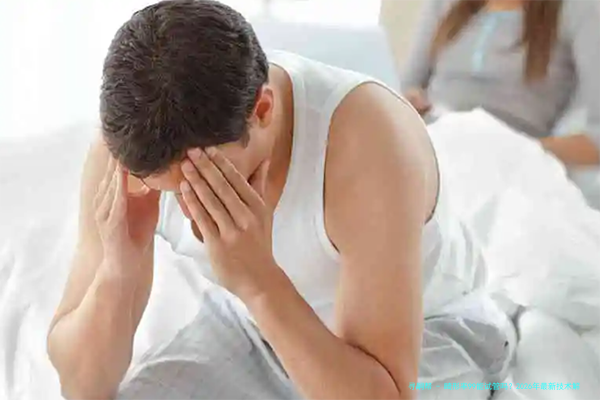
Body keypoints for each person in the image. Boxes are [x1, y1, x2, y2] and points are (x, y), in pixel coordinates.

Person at [46, 1, 517, 400]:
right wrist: (119, 272)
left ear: (263, 109)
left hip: (432, 335)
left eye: (209, 183)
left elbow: (387, 391)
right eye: (172, 191)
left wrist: (258, 282)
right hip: (252, 328)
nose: (191, 215)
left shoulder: (368, 142)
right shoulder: (129, 146)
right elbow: (82, 387)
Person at [401, 0, 600, 167]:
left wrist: (517, 150)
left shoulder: (577, 10)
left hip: (503, 165)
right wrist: (411, 103)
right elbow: (406, 89)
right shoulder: (444, 4)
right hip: (431, 145)